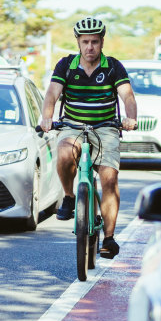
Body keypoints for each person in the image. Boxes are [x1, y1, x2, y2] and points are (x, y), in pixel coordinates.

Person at [39, 16, 137, 259]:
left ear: (102, 42)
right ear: (78, 43)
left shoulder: (113, 66)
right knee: (64, 152)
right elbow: (52, 95)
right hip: (72, 126)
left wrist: (130, 117)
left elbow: (127, 96)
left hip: (106, 127)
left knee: (109, 179)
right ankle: (70, 198)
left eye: (94, 42)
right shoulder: (66, 65)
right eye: (85, 42)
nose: (90, 47)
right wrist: (47, 118)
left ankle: (109, 239)